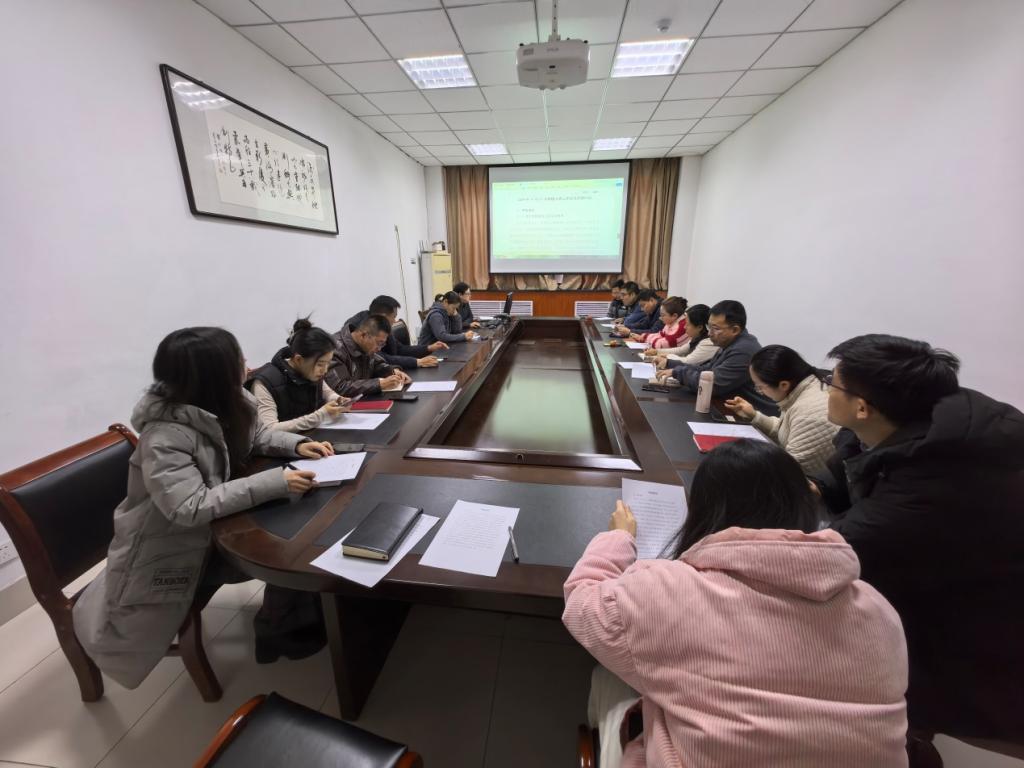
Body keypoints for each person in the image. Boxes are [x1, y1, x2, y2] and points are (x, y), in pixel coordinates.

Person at [563, 439, 908, 768]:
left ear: (703, 510)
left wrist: (619, 536)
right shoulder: (879, 610)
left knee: (608, 679)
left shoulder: (671, 592)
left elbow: (581, 599)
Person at [72, 327, 335, 689]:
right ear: (213, 374)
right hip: (173, 547)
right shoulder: (164, 436)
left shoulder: (230, 401)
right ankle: (281, 632)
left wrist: (296, 444)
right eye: (237, 359)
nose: (246, 364)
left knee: (300, 528)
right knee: (287, 550)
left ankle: (295, 622)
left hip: (209, 528)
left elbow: (257, 436)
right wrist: (274, 482)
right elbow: (188, 506)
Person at [813, 334, 1024, 741]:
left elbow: (834, 555)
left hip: (971, 645)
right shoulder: (904, 424)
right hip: (930, 586)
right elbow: (851, 467)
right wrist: (816, 486)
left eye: (831, 382)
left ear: (862, 407)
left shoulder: (939, 479)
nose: (825, 390)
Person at [723, 345, 839, 475]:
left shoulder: (809, 413)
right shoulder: (803, 388)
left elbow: (788, 472)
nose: (760, 391)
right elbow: (787, 432)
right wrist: (754, 416)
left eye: (760, 387)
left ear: (783, 385)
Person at [658, 300, 777, 414]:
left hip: (752, 418)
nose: (709, 333)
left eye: (715, 328)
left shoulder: (743, 350)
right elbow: (708, 370)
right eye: (709, 327)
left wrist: (679, 372)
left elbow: (711, 385)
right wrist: (672, 365)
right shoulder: (729, 342)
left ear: (735, 330)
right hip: (728, 407)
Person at [247, 318, 352, 432]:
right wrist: (320, 416)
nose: (325, 370)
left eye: (328, 363)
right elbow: (269, 430)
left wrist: (337, 399)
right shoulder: (264, 383)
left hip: (310, 437)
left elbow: (327, 392)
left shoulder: (312, 372)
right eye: (320, 364)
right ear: (298, 359)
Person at [345, 295, 447, 369]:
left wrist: (428, 348)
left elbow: (400, 349)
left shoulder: (381, 325)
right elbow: (380, 358)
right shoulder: (363, 329)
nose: (395, 321)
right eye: (393, 317)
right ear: (383, 316)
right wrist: (417, 362)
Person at [326, 314, 410, 397]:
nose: (379, 349)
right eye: (379, 343)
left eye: (383, 344)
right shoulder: (335, 349)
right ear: (363, 335)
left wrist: (392, 371)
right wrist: (379, 384)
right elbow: (340, 387)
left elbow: (376, 364)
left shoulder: (365, 346)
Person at [645, 303, 716, 370]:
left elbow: (688, 361)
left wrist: (666, 356)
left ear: (699, 327)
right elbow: (681, 350)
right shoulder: (697, 337)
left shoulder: (708, 343)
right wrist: (657, 351)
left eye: (687, 324)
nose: (684, 327)